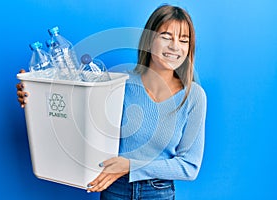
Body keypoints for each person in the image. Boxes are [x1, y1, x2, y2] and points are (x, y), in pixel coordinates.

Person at [17, 4, 207, 200]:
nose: (175, 46)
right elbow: (74, 112)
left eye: (183, 40)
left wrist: (130, 166)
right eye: (166, 36)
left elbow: (189, 167)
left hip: (158, 192)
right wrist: (34, 94)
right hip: (115, 188)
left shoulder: (193, 96)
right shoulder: (118, 82)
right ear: (149, 41)